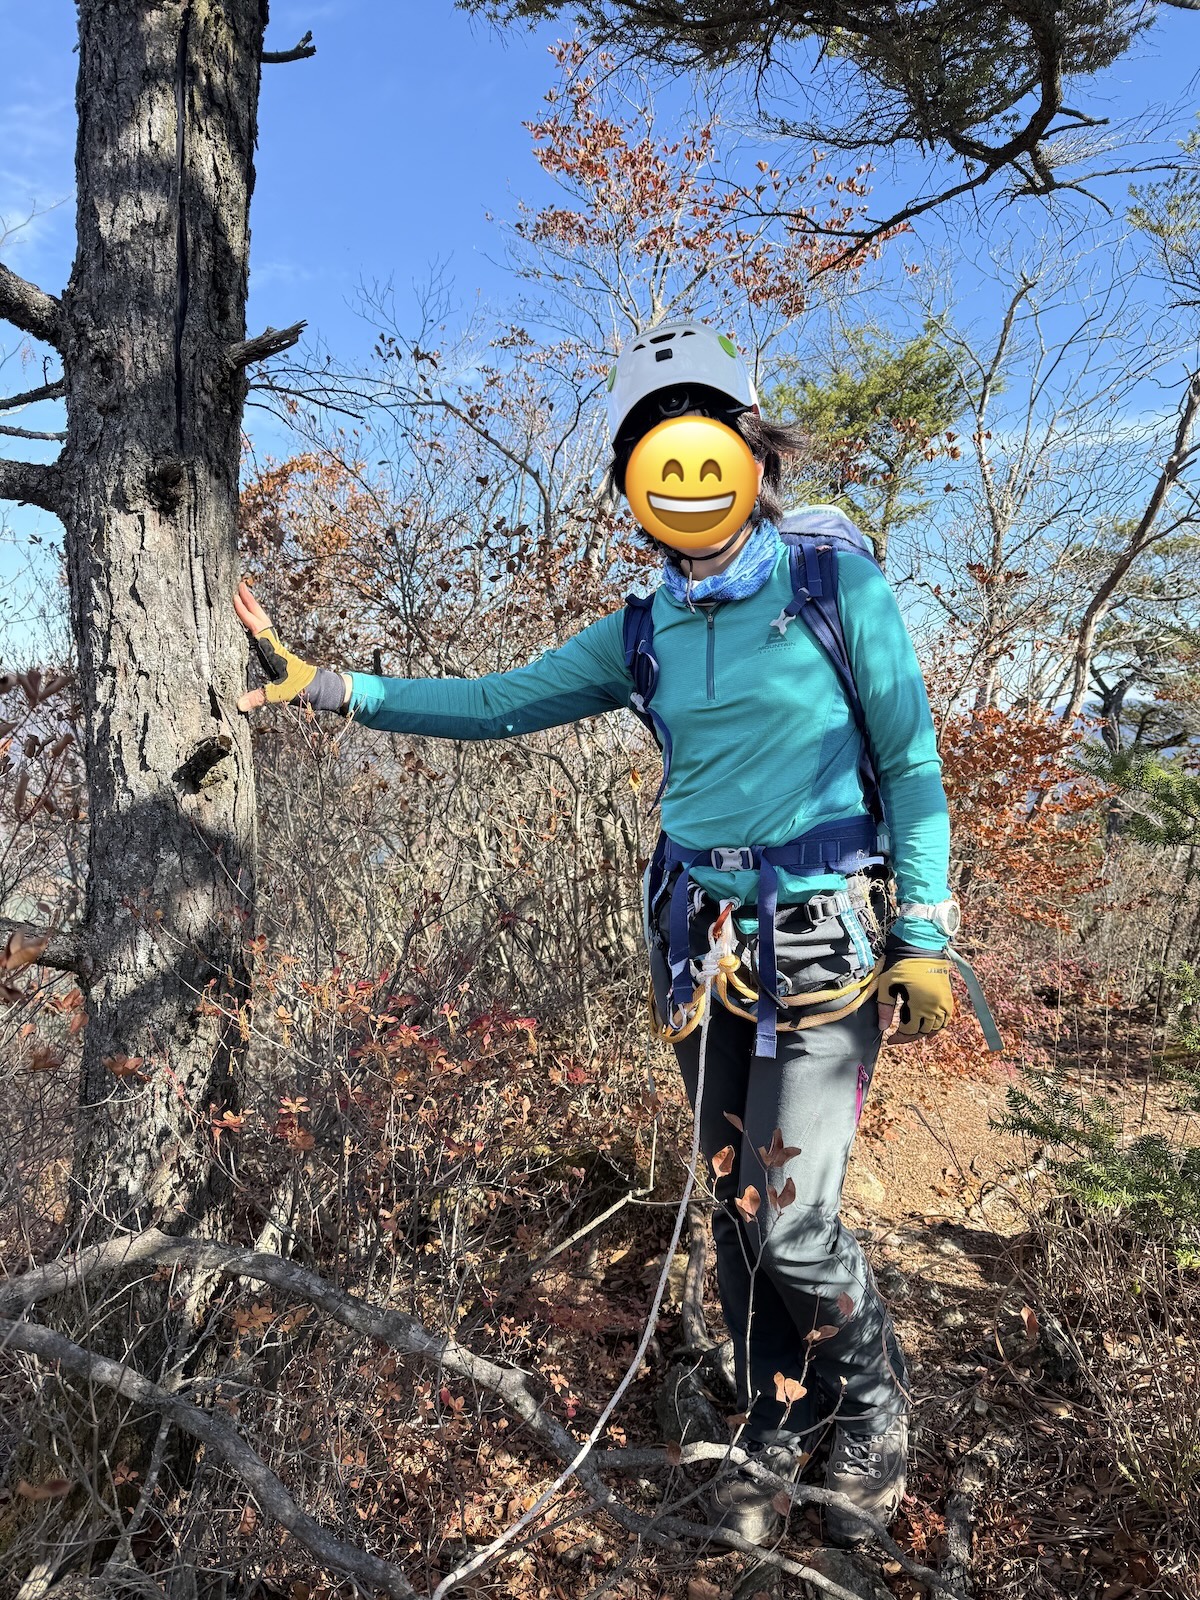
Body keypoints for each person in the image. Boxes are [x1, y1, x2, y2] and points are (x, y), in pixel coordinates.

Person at [233, 321, 959, 1550]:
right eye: (651, 441)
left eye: (704, 429)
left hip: (824, 934)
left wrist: (925, 930)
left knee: (793, 1215)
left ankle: (872, 1409)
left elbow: (911, 761)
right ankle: (775, 1414)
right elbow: (497, 703)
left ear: (752, 450)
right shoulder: (642, 631)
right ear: (632, 480)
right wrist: (334, 688)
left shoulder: (836, 587)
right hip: (698, 939)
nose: (684, 463)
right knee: (733, 1197)